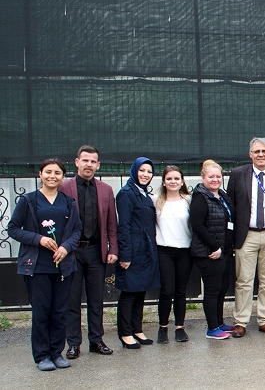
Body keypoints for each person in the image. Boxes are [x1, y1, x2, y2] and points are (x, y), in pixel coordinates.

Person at [9, 158, 81, 371]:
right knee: (41, 312)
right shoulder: (29, 201)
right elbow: (13, 229)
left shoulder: (68, 202)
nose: (52, 176)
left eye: (57, 173)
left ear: (62, 177)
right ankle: (42, 356)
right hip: (37, 266)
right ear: (40, 174)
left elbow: (77, 230)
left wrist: (66, 247)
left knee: (59, 311)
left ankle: (56, 353)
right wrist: (38, 239)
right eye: (48, 172)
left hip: (63, 266)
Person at [59, 146, 117, 359]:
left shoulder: (105, 190)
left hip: (95, 251)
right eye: (85, 160)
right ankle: (73, 343)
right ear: (76, 162)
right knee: (72, 299)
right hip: (72, 252)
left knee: (96, 299)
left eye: (93, 161)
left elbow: (112, 223)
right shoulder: (65, 187)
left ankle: (96, 340)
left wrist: (114, 248)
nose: (89, 165)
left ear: (98, 165)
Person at [227, 137, 265, 337]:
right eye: (256, 151)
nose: (260, 155)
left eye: (264, 151)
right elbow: (231, 206)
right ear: (250, 154)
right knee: (244, 281)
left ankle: (264, 320)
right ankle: (241, 321)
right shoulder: (238, 174)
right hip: (247, 235)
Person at [115, 157, 160, 349]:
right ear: (134, 171)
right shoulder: (126, 193)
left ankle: (137, 329)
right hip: (132, 250)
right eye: (142, 170)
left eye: (149, 172)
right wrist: (125, 254)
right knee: (129, 293)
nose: (145, 175)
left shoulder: (143, 193)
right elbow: (123, 226)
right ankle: (125, 333)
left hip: (145, 250)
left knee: (140, 291)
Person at [190, 160, 236, 340]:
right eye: (211, 176)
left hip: (223, 250)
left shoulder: (221, 195)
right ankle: (212, 328)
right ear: (203, 178)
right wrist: (214, 246)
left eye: (218, 176)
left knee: (222, 287)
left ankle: (219, 322)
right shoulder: (201, 197)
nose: (215, 179)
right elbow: (198, 225)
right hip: (209, 252)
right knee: (212, 289)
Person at [154, 165, 192, 344]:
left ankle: (179, 327)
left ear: (182, 181)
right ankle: (163, 327)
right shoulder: (156, 201)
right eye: (169, 179)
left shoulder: (188, 200)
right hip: (164, 250)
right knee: (166, 290)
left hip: (185, 250)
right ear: (163, 181)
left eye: (176, 178)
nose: (173, 182)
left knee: (180, 291)